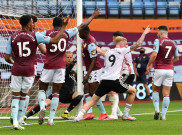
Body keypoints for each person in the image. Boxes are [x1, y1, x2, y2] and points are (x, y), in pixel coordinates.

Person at [73, 26, 151, 123]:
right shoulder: (123, 50)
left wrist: (88, 42)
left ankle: (78, 117)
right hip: (114, 81)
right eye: (124, 43)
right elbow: (138, 44)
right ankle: (125, 115)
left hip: (104, 81)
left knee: (92, 100)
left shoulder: (108, 52)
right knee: (133, 91)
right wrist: (144, 33)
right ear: (121, 43)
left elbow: (98, 49)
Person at [5, 14, 69, 130]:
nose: (33, 24)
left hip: (17, 69)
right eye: (32, 22)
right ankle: (19, 120)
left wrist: (14, 61)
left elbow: (6, 57)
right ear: (28, 24)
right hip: (29, 69)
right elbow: (54, 40)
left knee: (15, 96)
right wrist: (63, 27)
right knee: (24, 96)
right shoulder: (35, 36)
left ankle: (15, 121)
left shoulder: (12, 37)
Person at [38, 9, 101, 125]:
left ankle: (43, 107)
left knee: (42, 89)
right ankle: (51, 120)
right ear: (62, 24)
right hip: (61, 67)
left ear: (52, 24)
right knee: (56, 93)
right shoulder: (67, 33)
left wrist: (45, 52)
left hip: (48, 65)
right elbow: (83, 25)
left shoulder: (45, 33)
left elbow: (36, 40)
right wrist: (93, 15)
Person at [23, 51, 83, 121]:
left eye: (71, 57)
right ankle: (26, 116)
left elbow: (79, 79)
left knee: (79, 95)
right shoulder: (62, 67)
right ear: (64, 58)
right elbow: (65, 73)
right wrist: (71, 65)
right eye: (67, 57)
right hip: (58, 93)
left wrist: (81, 72)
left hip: (68, 95)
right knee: (44, 104)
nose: (69, 59)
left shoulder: (74, 70)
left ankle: (66, 112)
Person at [147, 26, 179, 120]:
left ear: (161, 33)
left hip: (159, 69)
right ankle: (164, 116)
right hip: (170, 70)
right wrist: (168, 63)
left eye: (157, 33)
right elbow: (177, 58)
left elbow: (154, 54)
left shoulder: (158, 41)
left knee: (155, 90)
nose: (157, 34)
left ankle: (157, 110)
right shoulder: (174, 43)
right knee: (166, 94)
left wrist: (149, 64)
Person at [79, 26, 108, 120]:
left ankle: (104, 113)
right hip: (88, 69)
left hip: (94, 70)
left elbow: (94, 60)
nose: (78, 35)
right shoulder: (86, 41)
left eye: (80, 33)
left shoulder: (91, 43)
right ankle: (90, 113)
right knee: (86, 90)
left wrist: (87, 74)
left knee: (93, 93)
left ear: (84, 32)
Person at [109, 31, 136, 120]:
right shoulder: (121, 48)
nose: (113, 40)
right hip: (125, 74)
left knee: (113, 91)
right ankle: (120, 113)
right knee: (111, 90)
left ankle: (116, 114)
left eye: (114, 38)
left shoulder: (123, 48)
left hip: (127, 74)